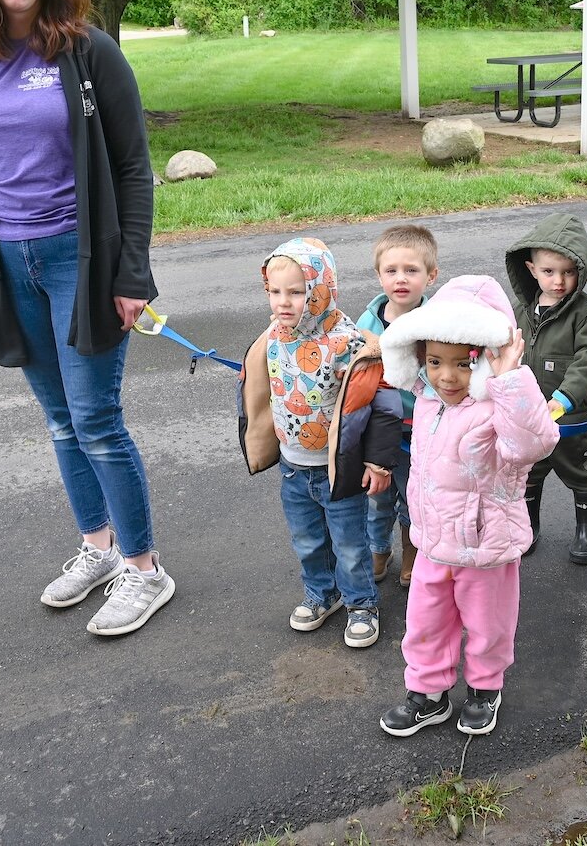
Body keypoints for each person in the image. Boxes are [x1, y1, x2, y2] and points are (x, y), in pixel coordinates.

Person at [0, 0, 172, 637]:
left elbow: (134, 167)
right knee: (59, 420)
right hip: (7, 259)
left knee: (97, 418)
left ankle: (144, 568)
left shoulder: (87, 51)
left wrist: (131, 271)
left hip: (82, 254)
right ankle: (98, 548)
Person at [375, 276, 558, 737]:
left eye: (463, 363)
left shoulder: (501, 402)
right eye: (434, 361)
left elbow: (534, 442)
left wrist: (510, 379)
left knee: (487, 624)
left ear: (485, 361)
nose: (447, 376)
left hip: (485, 546)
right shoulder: (426, 401)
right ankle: (428, 693)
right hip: (433, 543)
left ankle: (484, 688)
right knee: (425, 621)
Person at [236, 237, 394, 648]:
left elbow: (380, 403)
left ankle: (362, 603)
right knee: (307, 539)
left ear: (320, 289)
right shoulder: (273, 336)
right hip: (293, 465)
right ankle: (323, 594)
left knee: (349, 542)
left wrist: (376, 461)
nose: (282, 302)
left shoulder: (346, 342)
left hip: (337, 467)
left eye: (296, 292)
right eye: (274, 292)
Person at [504, 214, 587, 563]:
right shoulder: (520, 311)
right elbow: (503, 350)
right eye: (549, 272)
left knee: (578, 470)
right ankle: (528, 527)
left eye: (568, 271)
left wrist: (564, 398)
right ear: (532, 269)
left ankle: (585, 529)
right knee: (529, 473)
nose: (559, 280)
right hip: (528, 417)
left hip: (570, 418)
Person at [357, 224, 440, 588]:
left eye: (412, 270)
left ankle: (412, 550)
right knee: (377, 496)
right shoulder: (365, 324)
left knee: (412, 497)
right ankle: (378, 550)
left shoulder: (436, 323)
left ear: (431, 275)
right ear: (379, 275)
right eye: (391, 271)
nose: (400, 279)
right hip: (377, 429)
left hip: (418, 429)